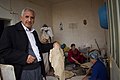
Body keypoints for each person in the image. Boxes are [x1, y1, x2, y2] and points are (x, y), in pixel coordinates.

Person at [0, 7, 53, 80]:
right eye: (27, 17)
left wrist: (53, 45)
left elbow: (40, 47)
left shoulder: (34, 32)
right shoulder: (10, 31)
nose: (29, 20)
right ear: (21, 18)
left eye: (32, 18)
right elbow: (3, 51)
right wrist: (24, 57)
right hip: (24, 71)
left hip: (38, 68)